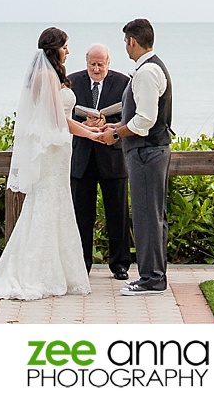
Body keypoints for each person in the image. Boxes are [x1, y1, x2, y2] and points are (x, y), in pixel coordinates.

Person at [0, 27, 104, 301]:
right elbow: (58, 119)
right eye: (65, 46)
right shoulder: (45, 75)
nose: (68, 51)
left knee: (57, 205)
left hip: (59, 148)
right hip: (53, 150)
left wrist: (86, 123)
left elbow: (62, 113)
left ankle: (59, 272)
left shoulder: (52, 75)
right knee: (46, 205)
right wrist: (91, 133)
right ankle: (36, 273)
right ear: (54, 47)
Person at [99, 18, 173, 294]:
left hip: (146, 152)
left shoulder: (146, 72)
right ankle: (154, 275)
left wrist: (116, 134)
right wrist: (116, 126)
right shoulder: (152, 68)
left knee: (146, 216)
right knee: (153, 215)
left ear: (132, 40)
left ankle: (151, 278)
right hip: (152, 151)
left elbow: (145, 120)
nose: (126, 48)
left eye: (125, 42)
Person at [69, 43, 132, 279]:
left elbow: (129, 114)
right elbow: (65, 112)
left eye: (100, 64)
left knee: (117, 213)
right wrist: (85, 124)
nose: (96, 69)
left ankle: (120, 264)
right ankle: (81, 264)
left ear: (108, 63)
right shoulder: (72, 81)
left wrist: (108, 121)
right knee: (81, 215)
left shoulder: (123, 82)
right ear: (86, 64)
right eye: (92, 65)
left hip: (112, 155)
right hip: (82, 156)